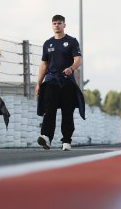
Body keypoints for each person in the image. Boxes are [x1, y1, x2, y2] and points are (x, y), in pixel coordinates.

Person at [36, 15, 85, 151]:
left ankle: (66, 140)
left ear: (64, 25)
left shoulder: (71, 41)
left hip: (67, 82)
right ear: (52, 25)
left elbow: (78, 59)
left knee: (67, 111)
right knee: (49, 109)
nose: (57, 25)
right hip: (51, 80)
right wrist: (39, 83)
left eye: (59, 23)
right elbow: (44, 64)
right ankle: (46, 137)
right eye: (54, 23)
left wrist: (71, 68)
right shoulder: (47, 43)